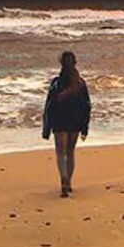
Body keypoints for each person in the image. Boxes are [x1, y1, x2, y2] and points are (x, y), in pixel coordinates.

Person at [42, 50, 91, 196]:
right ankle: (69, 181)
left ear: (61, 64)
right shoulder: (81, 84)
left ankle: (63, 178)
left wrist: (46, 127)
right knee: (70, 153)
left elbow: (49, 105)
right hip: (75, 121)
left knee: (60, 152)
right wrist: (85, 127)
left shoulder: (56, 83)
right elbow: (86, 106)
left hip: (59, 121)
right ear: (75, 63)